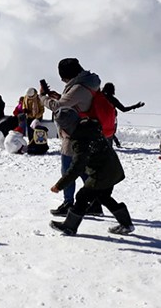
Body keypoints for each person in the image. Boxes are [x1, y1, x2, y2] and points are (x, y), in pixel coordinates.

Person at [49, 108, 135, 236]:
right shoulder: (90, 126)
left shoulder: (81, 140)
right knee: (103, 197)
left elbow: (76, 168)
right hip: (112, 168)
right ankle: (126, 224)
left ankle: (69, 226)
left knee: (82, 196)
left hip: (101, 173)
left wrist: (59, 185)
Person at [40, 58, 102, 217]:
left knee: (68, 168)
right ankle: (96, 202)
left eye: (63, 77)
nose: (62, 80)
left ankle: (69, 203)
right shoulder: (89, 82)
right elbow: (77, 102)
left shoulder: (79, 87)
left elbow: (56, 106)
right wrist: (62, 97)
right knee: (80, 169)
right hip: (84, 130)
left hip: (74, 133)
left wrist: (43, 97)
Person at [101, 82, 145, 148]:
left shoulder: (99, 97)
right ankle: (112, 146)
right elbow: (123, 109)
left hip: (100, 119)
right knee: (110, 133)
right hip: (111, 120)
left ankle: (114, 143)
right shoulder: (113, 99)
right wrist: (136, 106)